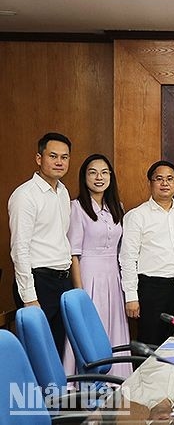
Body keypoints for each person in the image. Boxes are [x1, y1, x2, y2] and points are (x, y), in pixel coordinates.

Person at [64, 154, 131, 377]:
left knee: (113, 328)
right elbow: (74, 253)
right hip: (89, 274)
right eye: (92, 172)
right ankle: (87, 382)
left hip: (113, 276)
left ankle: (115, 380)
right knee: (90, 329)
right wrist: (79, 290)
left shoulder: (117, 207)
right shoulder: (77, 207)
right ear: (84, 177)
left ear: (111, 176)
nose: (99, 177)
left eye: (104, 172)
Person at [8, 132, 73, 357]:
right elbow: (20, 249)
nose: (59, 162)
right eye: (53, 156)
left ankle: (52, 394)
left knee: (56, 352)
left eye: (64, 157)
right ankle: (33, 394)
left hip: (62, 282)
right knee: (38, 354)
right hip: (38, 283)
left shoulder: (63, 192)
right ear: (39, 158)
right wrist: (30, 297)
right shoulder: (25, 195)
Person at [120, 161, 174, 346]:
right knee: (152, 345)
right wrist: (131, 297)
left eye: (170, 179)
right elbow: (128, 258)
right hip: (152, 290)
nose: (165, 183)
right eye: (159, 179)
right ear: (150, 183)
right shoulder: (137, 216)